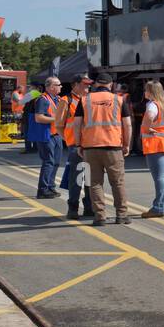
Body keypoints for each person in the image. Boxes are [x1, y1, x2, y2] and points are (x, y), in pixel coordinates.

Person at [71, 72, 133, 226]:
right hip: (113, 147)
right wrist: (126, 144)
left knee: (95, 183)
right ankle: (121, 215)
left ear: (97, 84)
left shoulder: (85, 100)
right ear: (111, 85)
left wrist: (78, 144)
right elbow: (127, 125)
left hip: (90, 147)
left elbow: (77, 124)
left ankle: (100, 217)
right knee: (117, 182)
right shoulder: (118, 100)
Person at [56, 73, 94, 220]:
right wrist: (69, 140)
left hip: (90, 145)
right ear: (75, 85)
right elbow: (59, 125)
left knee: (90, 178)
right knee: (76, 179)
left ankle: (89, 207)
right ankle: (73, 208)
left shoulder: (89, 100)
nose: (88, 86)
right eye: (85, 84)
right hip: (75, 147)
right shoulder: (66, 101)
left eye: (89, 84)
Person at [139, 81, 164, 218]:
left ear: (151, 92)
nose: (144, 92)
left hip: (155, 145)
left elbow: (149, 116)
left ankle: (158, 207)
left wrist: (146, 128)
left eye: (146, 90)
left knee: (159, 178)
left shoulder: (152, 105)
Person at [30, 77, 64, 199]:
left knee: (55, 162)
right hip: (46, 135)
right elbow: (38, 118)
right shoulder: (43, 100)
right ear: (51, 87)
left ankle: (50, 187)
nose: (61, 86)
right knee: (48, 162)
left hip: (56, 135)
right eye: (58, 84)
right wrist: (58, 119)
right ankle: (43, 190)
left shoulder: (58, 99)